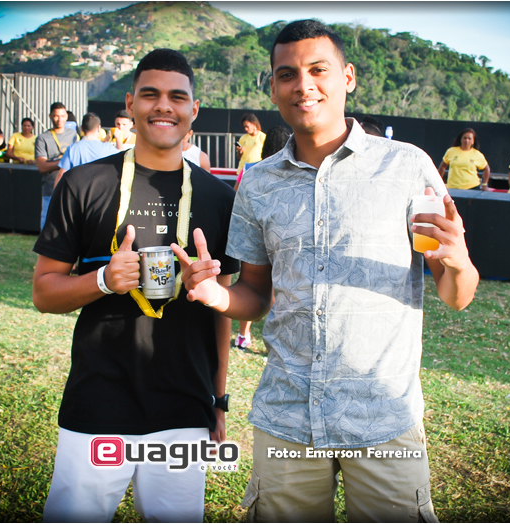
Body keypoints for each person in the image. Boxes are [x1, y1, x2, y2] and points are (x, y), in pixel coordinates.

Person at [173, 19, 479, 523]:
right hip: (287, 415)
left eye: (318, 70)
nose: (304, 85)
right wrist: (215, 295)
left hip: (383, 417)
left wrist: (459, 261)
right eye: (287, 74)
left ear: (348, 77)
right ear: (274, 87)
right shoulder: (258, 183)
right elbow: (255, 293)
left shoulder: (405, 167)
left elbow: (457, 294)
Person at [33, 48, 239, 523]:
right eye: (150, 94)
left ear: (194, 109)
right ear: (129, 104)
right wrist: (103, 280)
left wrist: (218, 400)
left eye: (176, 97)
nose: (163, 106)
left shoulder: (219, 197)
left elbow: (222, 312)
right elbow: (44, 292)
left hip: (185, 408)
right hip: (98, 402)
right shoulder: (83, 184)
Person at [232, 124, 291, 349]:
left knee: (250, 284)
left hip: (253, 235)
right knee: (277, 290)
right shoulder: (293, 171)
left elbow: (236, 194)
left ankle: (243, 335)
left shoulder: (251, 169)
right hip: (283, 237)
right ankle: (276, 338)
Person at [35, 102, 78, 229]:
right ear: (50, 116)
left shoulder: (73, 135)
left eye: (62, 116)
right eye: (56, 116)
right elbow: (42, 167)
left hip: (71, 188)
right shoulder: (42, 138)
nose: (59, 119)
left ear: (66, 116)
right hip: (50, 189)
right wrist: (65, 162)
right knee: (47, 226)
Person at [54, 112, 120, 187]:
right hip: (101, 190)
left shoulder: (73, 149)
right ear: (99, 128)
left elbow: (61, 175)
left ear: (81, 128)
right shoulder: (109, 149)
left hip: (78, 190)